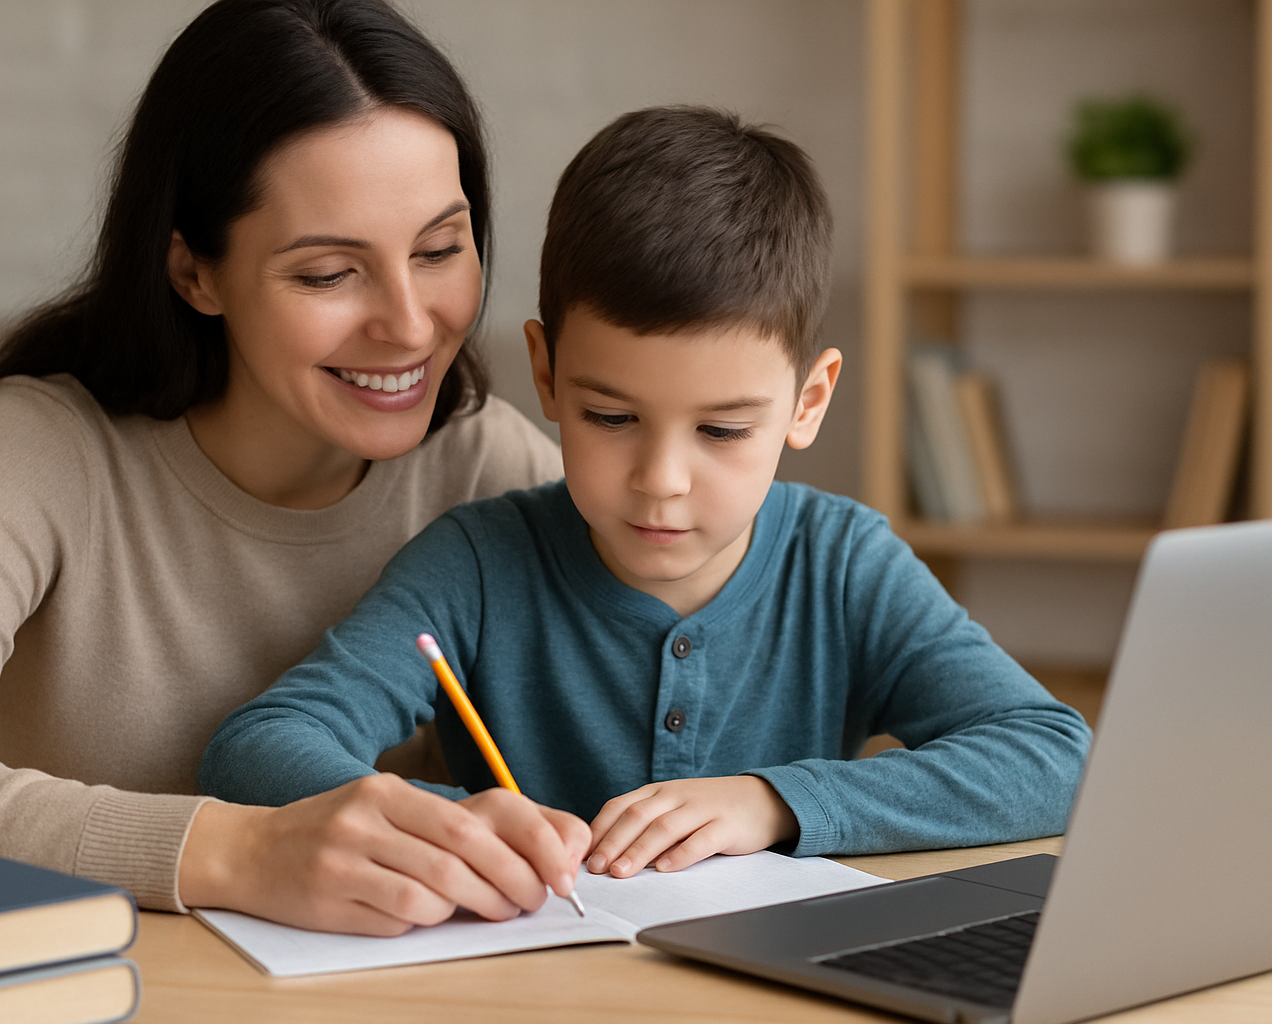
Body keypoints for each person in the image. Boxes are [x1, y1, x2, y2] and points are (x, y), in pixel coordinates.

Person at [0, 0, 592, 936]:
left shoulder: (488, 464)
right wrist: (242, 853)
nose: (411, 325)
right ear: (194, 273)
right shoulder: (45, 451)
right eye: (329, 274)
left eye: (440, 250)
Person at [198, 106, 1092, 894]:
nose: (661, 479)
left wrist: (775, 802)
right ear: (546, 373)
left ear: (807, 402)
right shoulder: (475, 564)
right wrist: (457, 827)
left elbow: (1052, 756)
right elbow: (260, 747)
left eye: (722, 430)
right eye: (612, 417)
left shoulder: (844, 564)